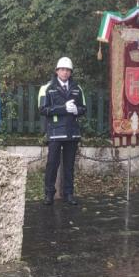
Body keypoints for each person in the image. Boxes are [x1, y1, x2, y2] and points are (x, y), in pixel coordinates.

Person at [38, 57, 86, 206]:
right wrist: (63, 108)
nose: (65, 72)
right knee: (52, 164)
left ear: (70, 72)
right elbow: (43, 109)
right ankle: (49, 193)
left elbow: (84, 108)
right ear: (57, 71)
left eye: (67, 70)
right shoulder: (47, 88)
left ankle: (69, 193)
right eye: (62, 69)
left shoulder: (78, 88)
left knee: (69, 165)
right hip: (55, 132)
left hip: (72, 131)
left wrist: (77, 110)